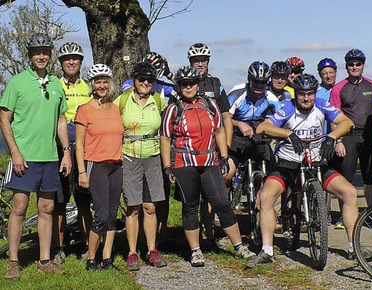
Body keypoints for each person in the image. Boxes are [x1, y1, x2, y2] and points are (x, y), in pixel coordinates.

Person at [246, 74, 372, 267]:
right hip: (288, 164)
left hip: (315, 163)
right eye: (301, 94)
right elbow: (263, 128)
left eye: (310, 94)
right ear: (296, 94)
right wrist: (288, 134)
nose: (306, 98)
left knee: (349, 192)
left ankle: (354, 247)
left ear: (315, 94)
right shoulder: (289, 108)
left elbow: (347, 123)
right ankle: (267, 250)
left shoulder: (322, 105)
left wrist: (332, 137)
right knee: (266, 196)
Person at [160, 66, 255, 267]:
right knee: (190, 206)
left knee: (222, 203)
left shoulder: (210, 104)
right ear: (179, 85)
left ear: (198, 84)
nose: (188, 87)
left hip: (209, 161)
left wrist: (224, 156)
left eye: (192, 83)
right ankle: (195, 251)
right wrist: (167, 166)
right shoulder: (173, 108)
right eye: (184, 84)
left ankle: (238, 246)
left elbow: (220, 131)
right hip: (184, 163)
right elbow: (165, 137)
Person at [1, 33, 71, 279]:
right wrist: (15, 153)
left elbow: (61, 119)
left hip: (50, 157)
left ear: (49, 55)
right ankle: (13, 260)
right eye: (36, 52)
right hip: (24, 157)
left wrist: (66, 151)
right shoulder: (17, 82)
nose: (41, 56)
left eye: (45, 52)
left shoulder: (55, 83)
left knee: (47, 207)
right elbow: (4, 118)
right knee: (19, 207)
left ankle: (44, 259)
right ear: (30, 55)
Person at [114, 62, 168, 271]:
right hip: (129, 155)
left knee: (150, 207)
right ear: (134, 80)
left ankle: (152, 250)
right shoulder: (123, 99)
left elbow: (169, 122)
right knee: (133, 208)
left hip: (152, 156)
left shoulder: (157, 100)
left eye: (150, 80)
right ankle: (132, 253)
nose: (146, 83)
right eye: (141, 79)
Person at [74, 64, 125, 270]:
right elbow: (79, 143)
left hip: (117, 165)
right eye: (98, 82)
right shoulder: (84, 110)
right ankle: (91, 258)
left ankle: (107, 258)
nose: (102, 85)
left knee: (112, 214)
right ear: (92, 85)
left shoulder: (115, 108)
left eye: (105, 81)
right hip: (96, 165)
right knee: (101, 214)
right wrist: (82, 171)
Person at [187, 42, 234, 247]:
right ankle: (194, 237)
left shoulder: (216, 84)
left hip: (214, 146)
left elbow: (226, 117)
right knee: (192, 196)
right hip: (191, 147)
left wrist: (227, 149)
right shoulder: (185, 83)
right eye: (196, 60)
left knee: (213, 193)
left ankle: (210, 235)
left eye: (203, 60)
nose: (200, 64)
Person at [52, 41, 93, 264]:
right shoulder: (54, 85)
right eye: (67, 58)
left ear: (80, 62)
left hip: (84, 149)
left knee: (84, 200)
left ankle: (88, 245)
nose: (71, 61)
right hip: (60, 148)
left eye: (75, 58)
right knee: (59, 201)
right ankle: (59, 248)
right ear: (60, 63)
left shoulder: (88, 87)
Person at [330, 49, 372, 207]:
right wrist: (338, 140)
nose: (354, 67)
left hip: (369, 135)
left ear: (363, 65)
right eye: (351, 64)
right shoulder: (339, 88)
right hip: (348, 136)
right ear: (346, 66)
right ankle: (344, 214)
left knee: (369, 177)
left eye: (358, 64)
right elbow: (333, 116)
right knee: (345, 178)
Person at [226, 61, 281, 181]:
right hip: (236, 135)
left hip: (258, 136)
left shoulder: (270, 97)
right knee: (227, 172)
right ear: (249, 79)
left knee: (272, 169)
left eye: (263, 83)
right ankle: (225, 195)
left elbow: (282, 119)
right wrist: (239, 124)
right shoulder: (237, 93)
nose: (259, 86)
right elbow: (224, 118)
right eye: (256, 82)